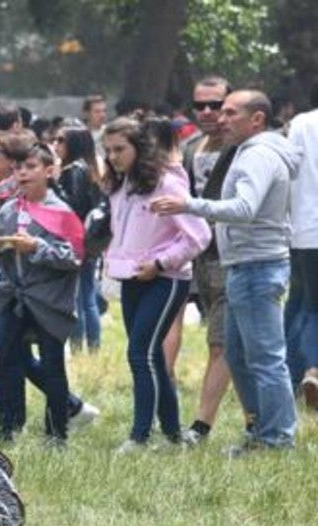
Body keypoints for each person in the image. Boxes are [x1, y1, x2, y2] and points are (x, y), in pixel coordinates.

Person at [151, 90, 303, 455]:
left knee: (266, 358)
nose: (221, 117)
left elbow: (245, 207)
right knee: (236, 353)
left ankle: (277, 438)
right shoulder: (250, 152)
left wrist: (188, 205)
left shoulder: (258, 155)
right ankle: (260, 427)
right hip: (245, 266)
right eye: (221, 111)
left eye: (231, 112)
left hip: (257, 267)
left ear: (257, 120)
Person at [102, 118, 212, 452]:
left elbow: (199, 235)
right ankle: (172, 435)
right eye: (108, 151)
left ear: (141, 147)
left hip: (165, 279)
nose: (113, 157)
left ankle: (140, 435)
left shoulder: (165, 183)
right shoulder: (120, 185)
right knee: (150, 357)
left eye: (120, 149)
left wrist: (162, 263)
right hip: (132, 277)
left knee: (140, 354)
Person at [0, 142, 83, 444]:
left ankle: (56, 433)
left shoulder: (62, 213)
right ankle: (2, 427)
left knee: (52, 363)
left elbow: (73, 258)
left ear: (49, 171)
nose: (23, 173)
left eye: (31, 167)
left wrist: (36, 246)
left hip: (49, 301)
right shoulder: (9, 210)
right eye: (18, 168)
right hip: (11, 297)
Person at [178, 76, 238, 443]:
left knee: (224, 342)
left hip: (233, 256)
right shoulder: (190, 148)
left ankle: (201, 424)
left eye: (215, 105)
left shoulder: (246, 148)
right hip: (196, 256)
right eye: (199, 105)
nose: (206, 112)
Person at [54, 125, 105, 353]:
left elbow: (72, 205)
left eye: (61, 140)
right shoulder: (90, 168)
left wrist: (52, 185)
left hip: (75, 239)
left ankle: (78, 347)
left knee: (78, 299)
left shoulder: (74, 170)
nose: (56, 145)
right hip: (90, 238)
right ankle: (92, 347)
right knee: (88, 296)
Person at [286, 85, 318, 409]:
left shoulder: (301, 124)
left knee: (304, 303)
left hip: (305, 229)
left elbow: (289, 172)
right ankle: (313, 369)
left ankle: (293, 373)